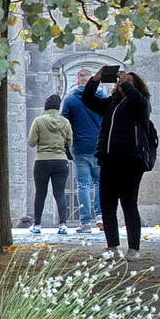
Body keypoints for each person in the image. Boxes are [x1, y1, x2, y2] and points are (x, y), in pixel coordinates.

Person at [83, 67, 159, 258]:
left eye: (128, 82)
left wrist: (127, 82)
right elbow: (87, 100)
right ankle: (113, 246)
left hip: (131, 160)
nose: (122, 84)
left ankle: (134, 248)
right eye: (120, 82)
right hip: (109, 158)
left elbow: (141, 104)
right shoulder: (111, 103)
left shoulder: (140, 103)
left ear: (136, 86)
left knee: (129, 204)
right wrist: (96, 80)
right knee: (107, 204)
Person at [62, 68, 104, 232]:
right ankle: (101, 216)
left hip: (79, 147)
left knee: (83, 185)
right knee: (100, 183)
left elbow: (64, 123)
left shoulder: (71, 100)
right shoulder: (101, 97)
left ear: (77, 81)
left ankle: (85, 222)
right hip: (98, 146)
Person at [26, 93, 75, 233]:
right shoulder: (65, 122)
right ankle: (63, 224)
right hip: (60, 160)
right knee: (59, 193)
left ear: (45, 107)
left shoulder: (38, 121)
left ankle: (37, 225)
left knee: (40, 193)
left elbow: (31, 142)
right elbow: (70, 142)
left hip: (42, 160)